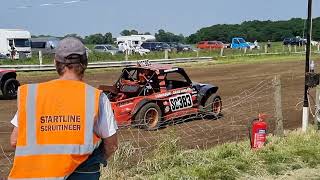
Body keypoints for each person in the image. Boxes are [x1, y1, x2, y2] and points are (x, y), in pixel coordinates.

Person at [8, 37, 118, 180]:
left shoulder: (33, 95)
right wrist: (90, 160)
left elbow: (14, 140)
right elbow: (112, 145)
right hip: (82, 174)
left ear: (55, 63)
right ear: (85, 63)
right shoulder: (95, 97)